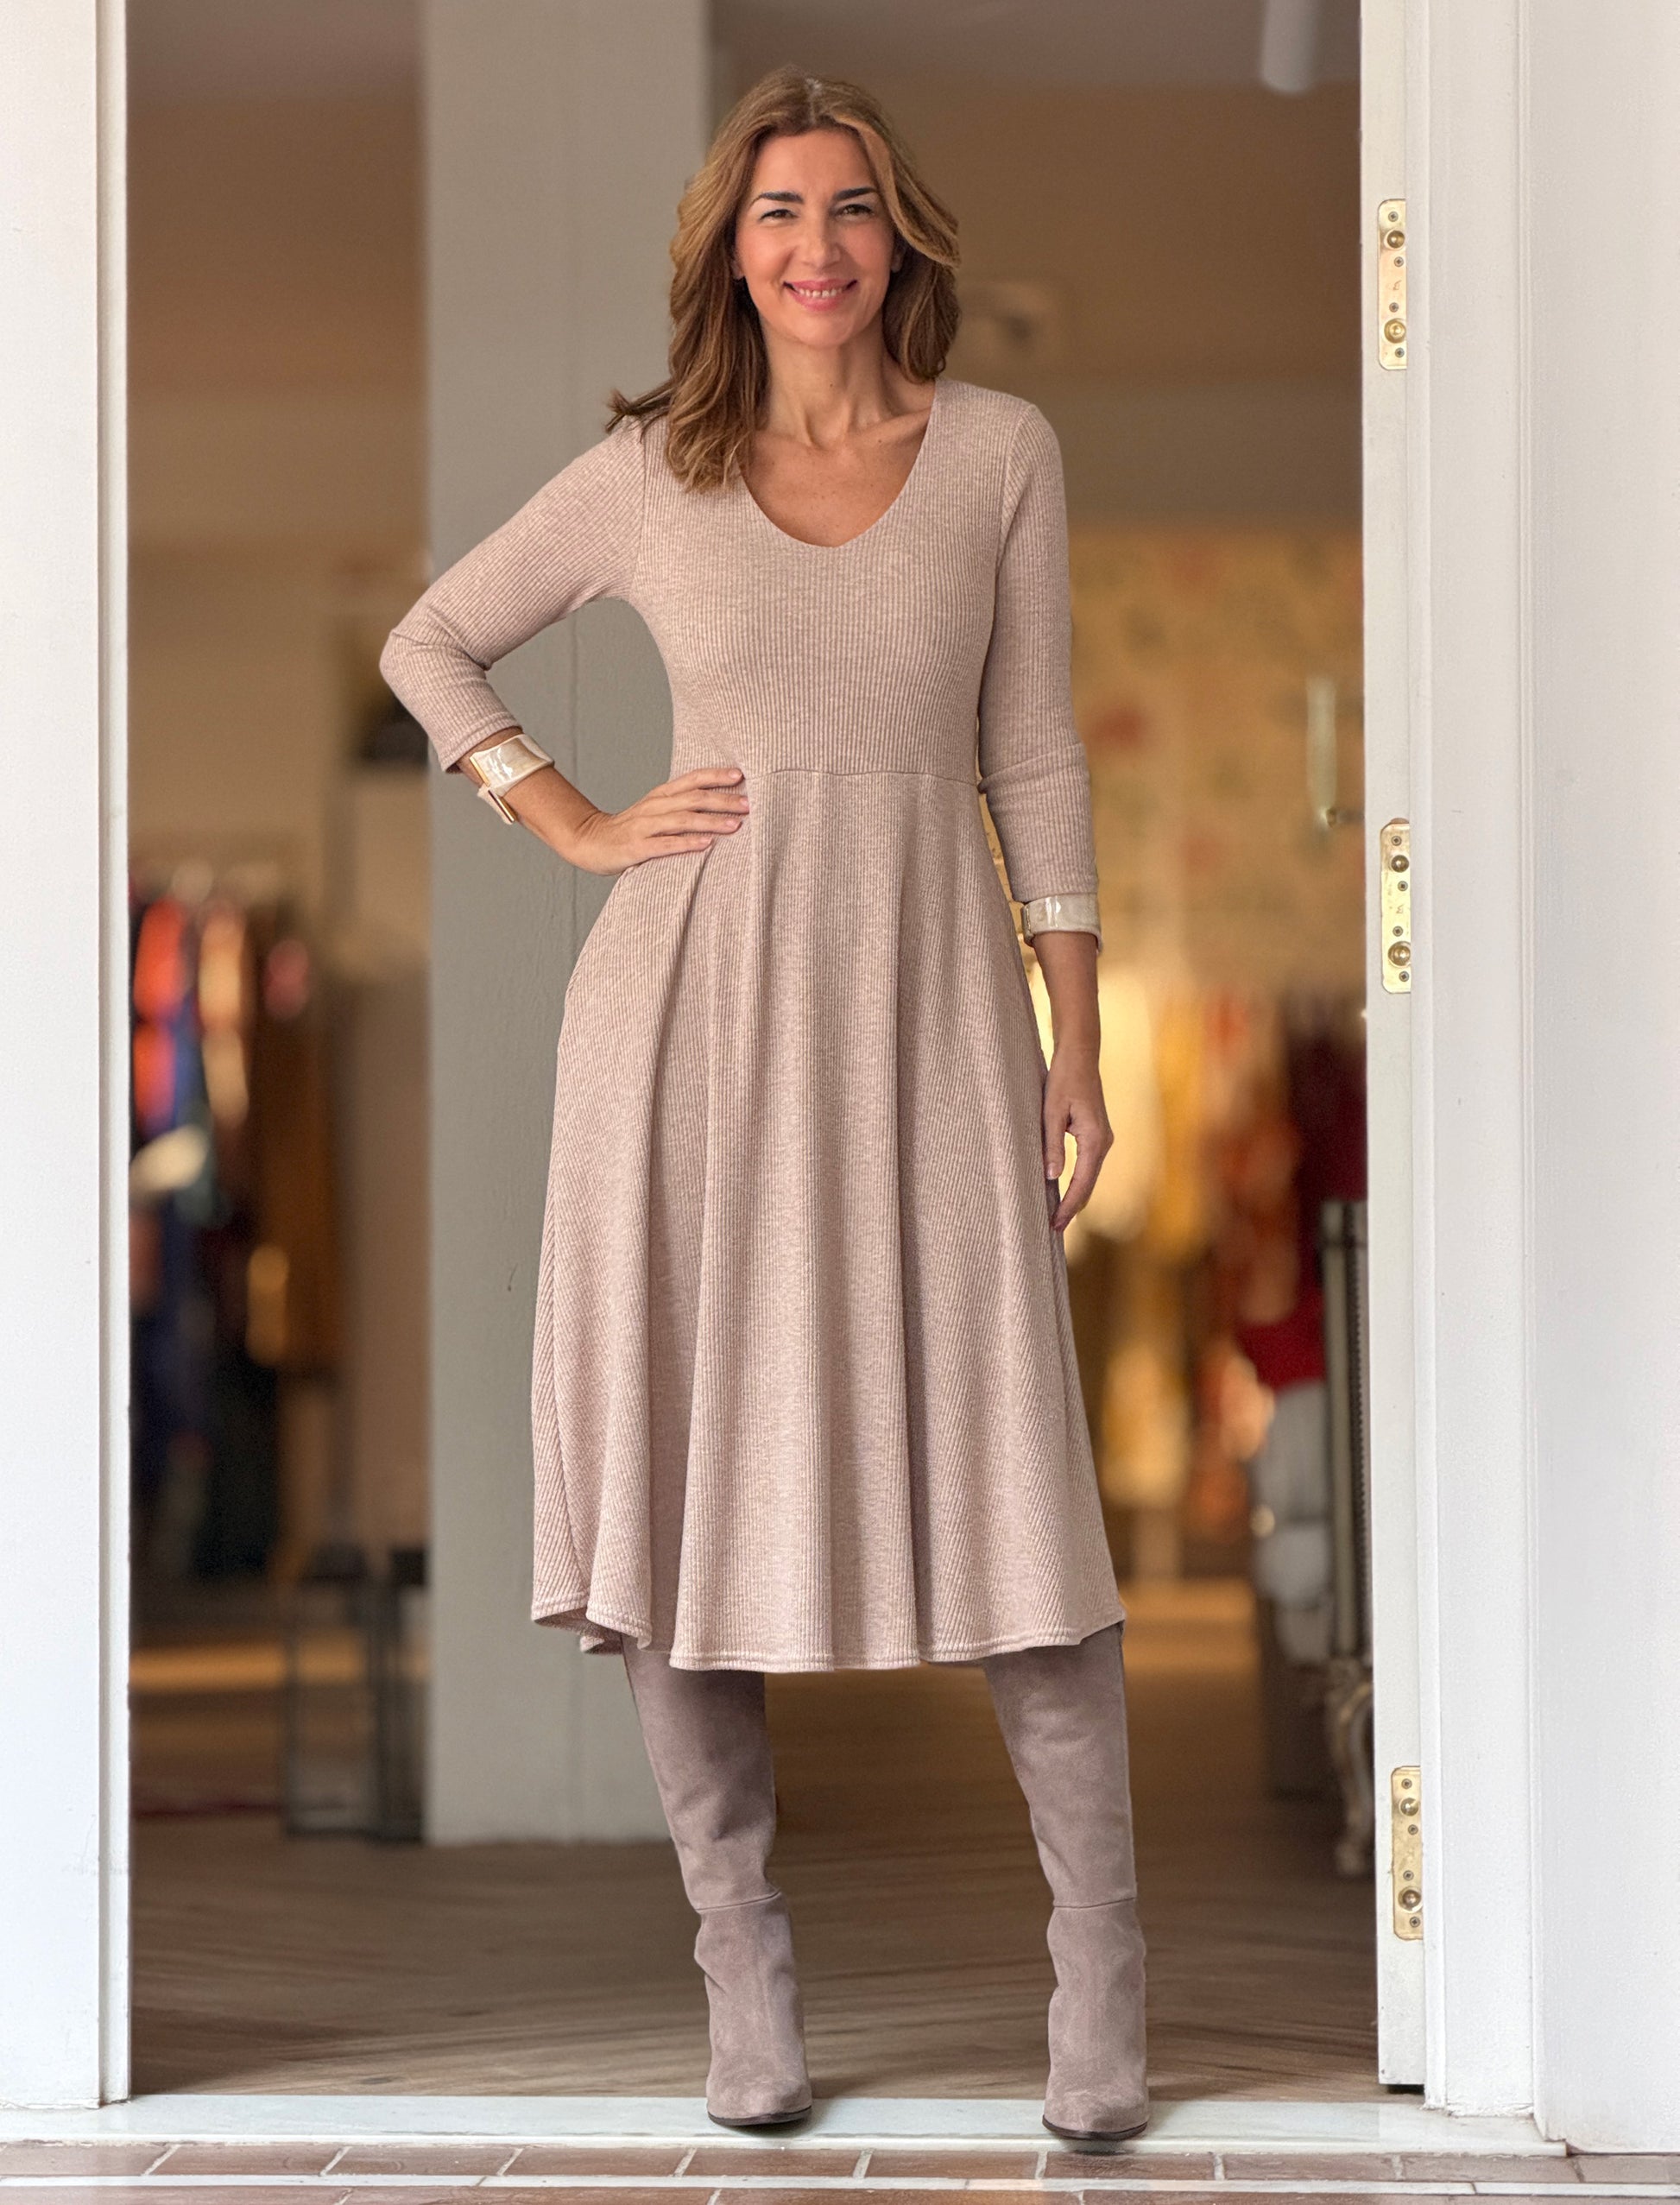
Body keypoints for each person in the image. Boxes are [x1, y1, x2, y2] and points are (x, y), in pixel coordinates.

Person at [381, 66, 1146, 2142]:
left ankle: (1098, 1976)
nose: (818, 244)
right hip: (686, 1017)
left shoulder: (999, 452)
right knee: (680, 1473)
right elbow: (432, 642)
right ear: (731, 249)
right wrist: (569, 820)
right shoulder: (654, 468)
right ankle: (745, 1970)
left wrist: (1076, 1036)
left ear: (902, 238)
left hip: (930, 1012)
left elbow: (1035, 755)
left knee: (1014, 1470)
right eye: (780, 211)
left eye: (852, 206)